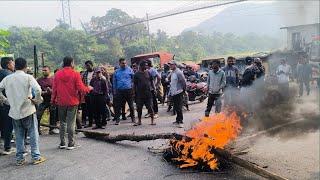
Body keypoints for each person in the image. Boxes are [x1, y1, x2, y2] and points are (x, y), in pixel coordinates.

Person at [0, 57, 46, 165]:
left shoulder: (8, 79)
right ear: (25, 66)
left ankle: (20, 158)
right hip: (28, 109)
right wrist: (37, 100)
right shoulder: (28, 77)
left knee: (18, 134)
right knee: (33, 133)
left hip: (14, 111)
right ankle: (36, 156)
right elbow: (38, 89)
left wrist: (5, 100)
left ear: (15, 66)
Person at [51, 56, 92, 150]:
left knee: (62, 123)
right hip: (73, 102)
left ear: (63, 63)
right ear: (72, 63)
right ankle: (71, 143)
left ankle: (62, 143)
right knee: (71, 123)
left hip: (61, 102)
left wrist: (52, 101)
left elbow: (54, 90)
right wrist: (88, 88)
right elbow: (81, 88)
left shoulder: (57, 74)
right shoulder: (76, 74)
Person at [113, 58, 135, 125]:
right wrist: (114, 92)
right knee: (118, 106)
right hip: (119, 91)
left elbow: (133, 80)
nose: (124, 64)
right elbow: (114, 82)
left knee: (131, 105)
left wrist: (133, 88)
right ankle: (117, 119)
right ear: (119, 64)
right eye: (122, 63)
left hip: (129, 90)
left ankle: (133, 118)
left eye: (125, 63)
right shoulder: (116, 72)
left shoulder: (130, 70)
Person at [36, 66, 58, 135]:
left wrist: (50, 91)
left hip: (52, 100)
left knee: (53, 115)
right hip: (43, 100)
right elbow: (36, 90)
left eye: (45, 70)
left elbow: (56, 90)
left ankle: (52, 129)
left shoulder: (53, 79)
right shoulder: (39, 80)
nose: (44, 71)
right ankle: (37, 130)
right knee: (38, 115)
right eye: (43, 70)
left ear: (49, 71)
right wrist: (42, 92)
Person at [0, 57, 15, 155]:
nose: (14, 65)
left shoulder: (1, 73)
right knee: (8, 125)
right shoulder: (9, 75)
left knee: (2, 124)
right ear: (8, 64)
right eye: (12, 63)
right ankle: (7, 147)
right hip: (7, 103)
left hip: (1, 102)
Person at [133, 61, 155, 126]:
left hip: (148, 93)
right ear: (141, 66)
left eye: (147, 65)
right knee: (139, 108)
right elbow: (134, 84)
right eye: (145, 65)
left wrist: (154, 89)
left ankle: (152, 121)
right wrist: (134, 93)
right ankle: (139, 121)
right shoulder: (136, 74)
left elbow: (152, 81)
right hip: (139, 94)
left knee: (150, 107)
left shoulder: (148, 72)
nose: (146, 66)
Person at [168, 61, 186, 128]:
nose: (170, 66)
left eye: (171, 65)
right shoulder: (173, 72)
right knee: (176, 107)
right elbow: (169, 79)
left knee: (179, 107)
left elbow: (183, 82)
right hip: (174, 92)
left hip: (178, 92)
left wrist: (183, 90)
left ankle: (181, 121)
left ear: (175, 65)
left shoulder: (178, 72)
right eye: (170, 65)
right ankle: (177, 120)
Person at [81, 60, 95, 127]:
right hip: (87, 93)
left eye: (88, 66)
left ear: (92, 65)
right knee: (88, 108)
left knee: (95, 107)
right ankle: (90, 123)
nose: (87, 67)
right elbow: (83, 83)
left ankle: (98, 121)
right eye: (86, 66)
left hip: (95, 93)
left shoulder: (96, 73)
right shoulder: (84, 74)